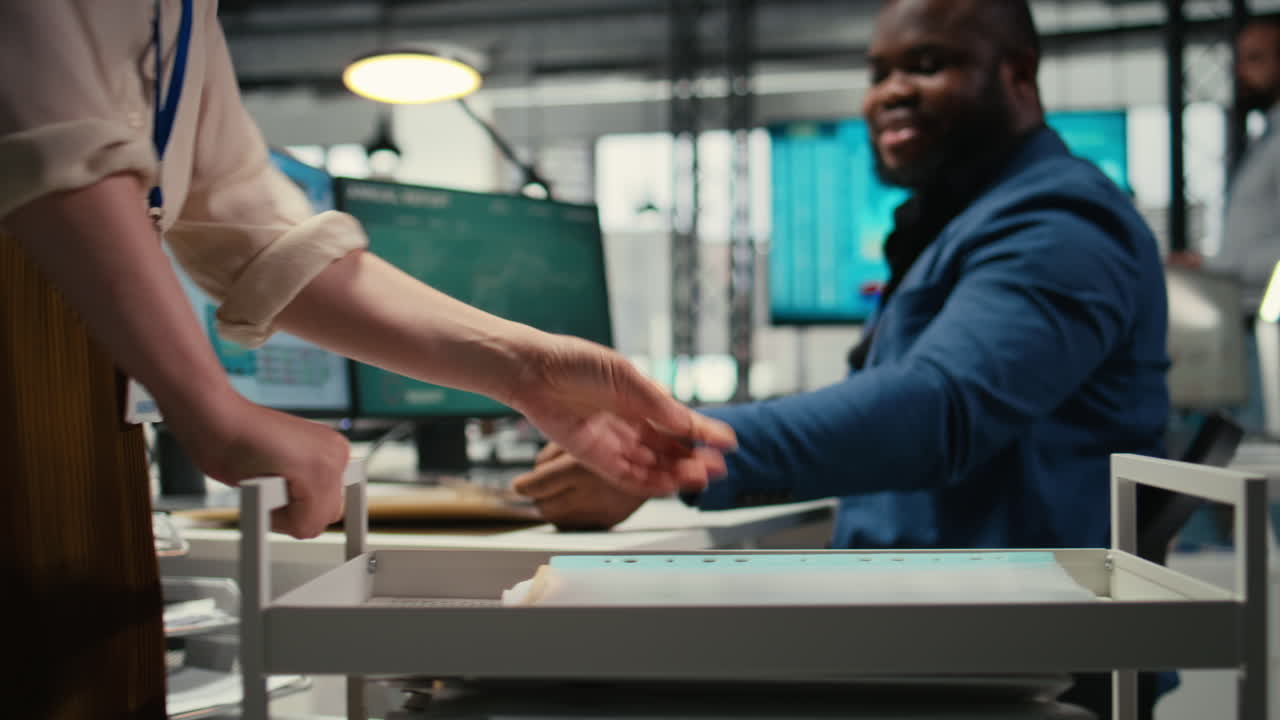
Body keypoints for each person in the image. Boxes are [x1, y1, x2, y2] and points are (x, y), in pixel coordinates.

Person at [0, 3, 733, 718]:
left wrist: (525, 369)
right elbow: (50, 141)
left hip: (86, 413)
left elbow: (250, 224)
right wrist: (211, 406)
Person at [513, 1, 1168, 717]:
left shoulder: (1061, 223)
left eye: (927, 64)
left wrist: (669, 449)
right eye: (878, 71)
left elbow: (938, 410)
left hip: (1013, 661)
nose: (889, 92)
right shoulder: (966, 224)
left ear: (1018, 76)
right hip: (939, 631)